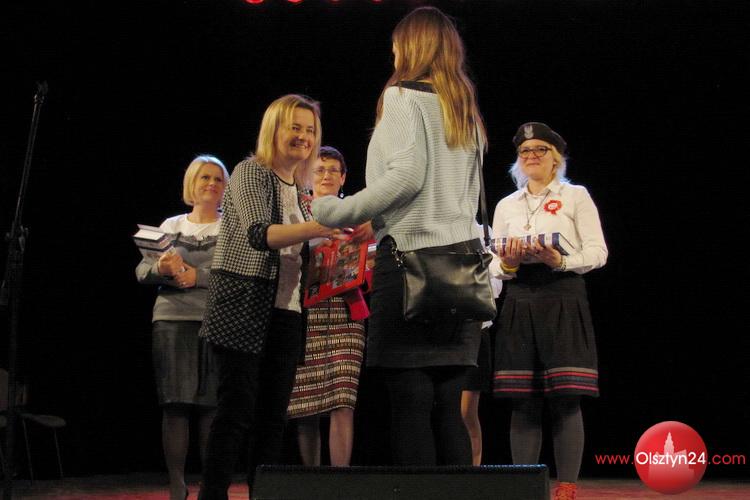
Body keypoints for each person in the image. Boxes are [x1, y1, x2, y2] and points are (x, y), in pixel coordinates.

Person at [312, 7, 487, 466]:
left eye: (395, 45)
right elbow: (457, 196)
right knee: (448, 406)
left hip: (412, 265)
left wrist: (333, 210)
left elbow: (407, 177)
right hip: (463, 270)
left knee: (410, 403)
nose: (392, 53)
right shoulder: (463, 108)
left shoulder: (403, 97)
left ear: (409, 46)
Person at [197, 94, 335, 500]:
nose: (303, 137)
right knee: (235, 412)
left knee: (273, 417)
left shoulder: (303, 191)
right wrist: (319, 228)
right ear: (274, 129)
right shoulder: (251, 172)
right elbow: (261, 234)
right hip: (242, 303)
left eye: (310, 130)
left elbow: (298, 251)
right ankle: (212, 495)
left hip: (287, 311)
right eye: (295, 127)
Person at [490, 122, 608, 500]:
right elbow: (493, 263)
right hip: (520, 299)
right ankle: (525, 487)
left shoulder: (575, 196)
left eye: (540, 150)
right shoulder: (506, 205)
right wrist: (507, 263)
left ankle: (567, 487)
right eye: (525, 151)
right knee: (522, 398)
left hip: (562, 295)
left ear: (555, 158)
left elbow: (598, 252)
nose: (531, 156)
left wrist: (561, 261)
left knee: (565, 397)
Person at [135, 154, 229, 500]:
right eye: (205, 177)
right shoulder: (170, 225)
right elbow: (141, 272)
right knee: (175, 404)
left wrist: (197, 276)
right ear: (192, 183)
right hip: (172, 320)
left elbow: (237, 276)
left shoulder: (231, 226)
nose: (211, 184)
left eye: (218, 179)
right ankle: (177, 484)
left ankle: (209, 485)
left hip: (215, 321)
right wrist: (161, 269)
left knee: (210, 408)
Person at [287, 146, 369, 467]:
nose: (326, 176)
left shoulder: (357, 213)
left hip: (346, 312)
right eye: (319, 170)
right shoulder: (297, 212)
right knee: (306, 403)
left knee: (343, 398)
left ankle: (340, 480)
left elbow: (371, 259)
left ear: (343, 177)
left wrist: (365, 261)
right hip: (307, 311)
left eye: (333, 170)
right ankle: (312, 479)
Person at [460, 274, 501, 466]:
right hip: (439, 328)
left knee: (465, 412)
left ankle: (473, 472)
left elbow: (495, 285)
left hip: (474, 329)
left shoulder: (483, 253)